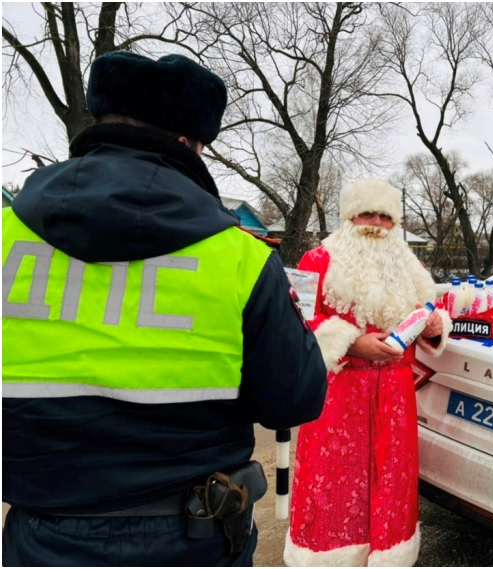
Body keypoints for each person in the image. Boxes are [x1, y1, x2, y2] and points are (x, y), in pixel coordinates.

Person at [2, 51, 328, 566]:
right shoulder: (238, 258)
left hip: (40, 539)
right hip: (192, 537)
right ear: (188, 144)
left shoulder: (6, 240)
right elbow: (295, 399)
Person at [283, 179, 453, 566]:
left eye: (385, 216)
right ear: (349, 217)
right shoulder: (318, 260)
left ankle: (389, 556)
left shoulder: (410, 266)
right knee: (334, 483)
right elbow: (296, 319)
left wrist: (433, 326)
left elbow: (430, 307)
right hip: (339, 394)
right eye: (367, 214)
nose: (376, 224)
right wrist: (351, 342)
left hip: (395, 394)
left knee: (391, 481)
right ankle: (326, 557)